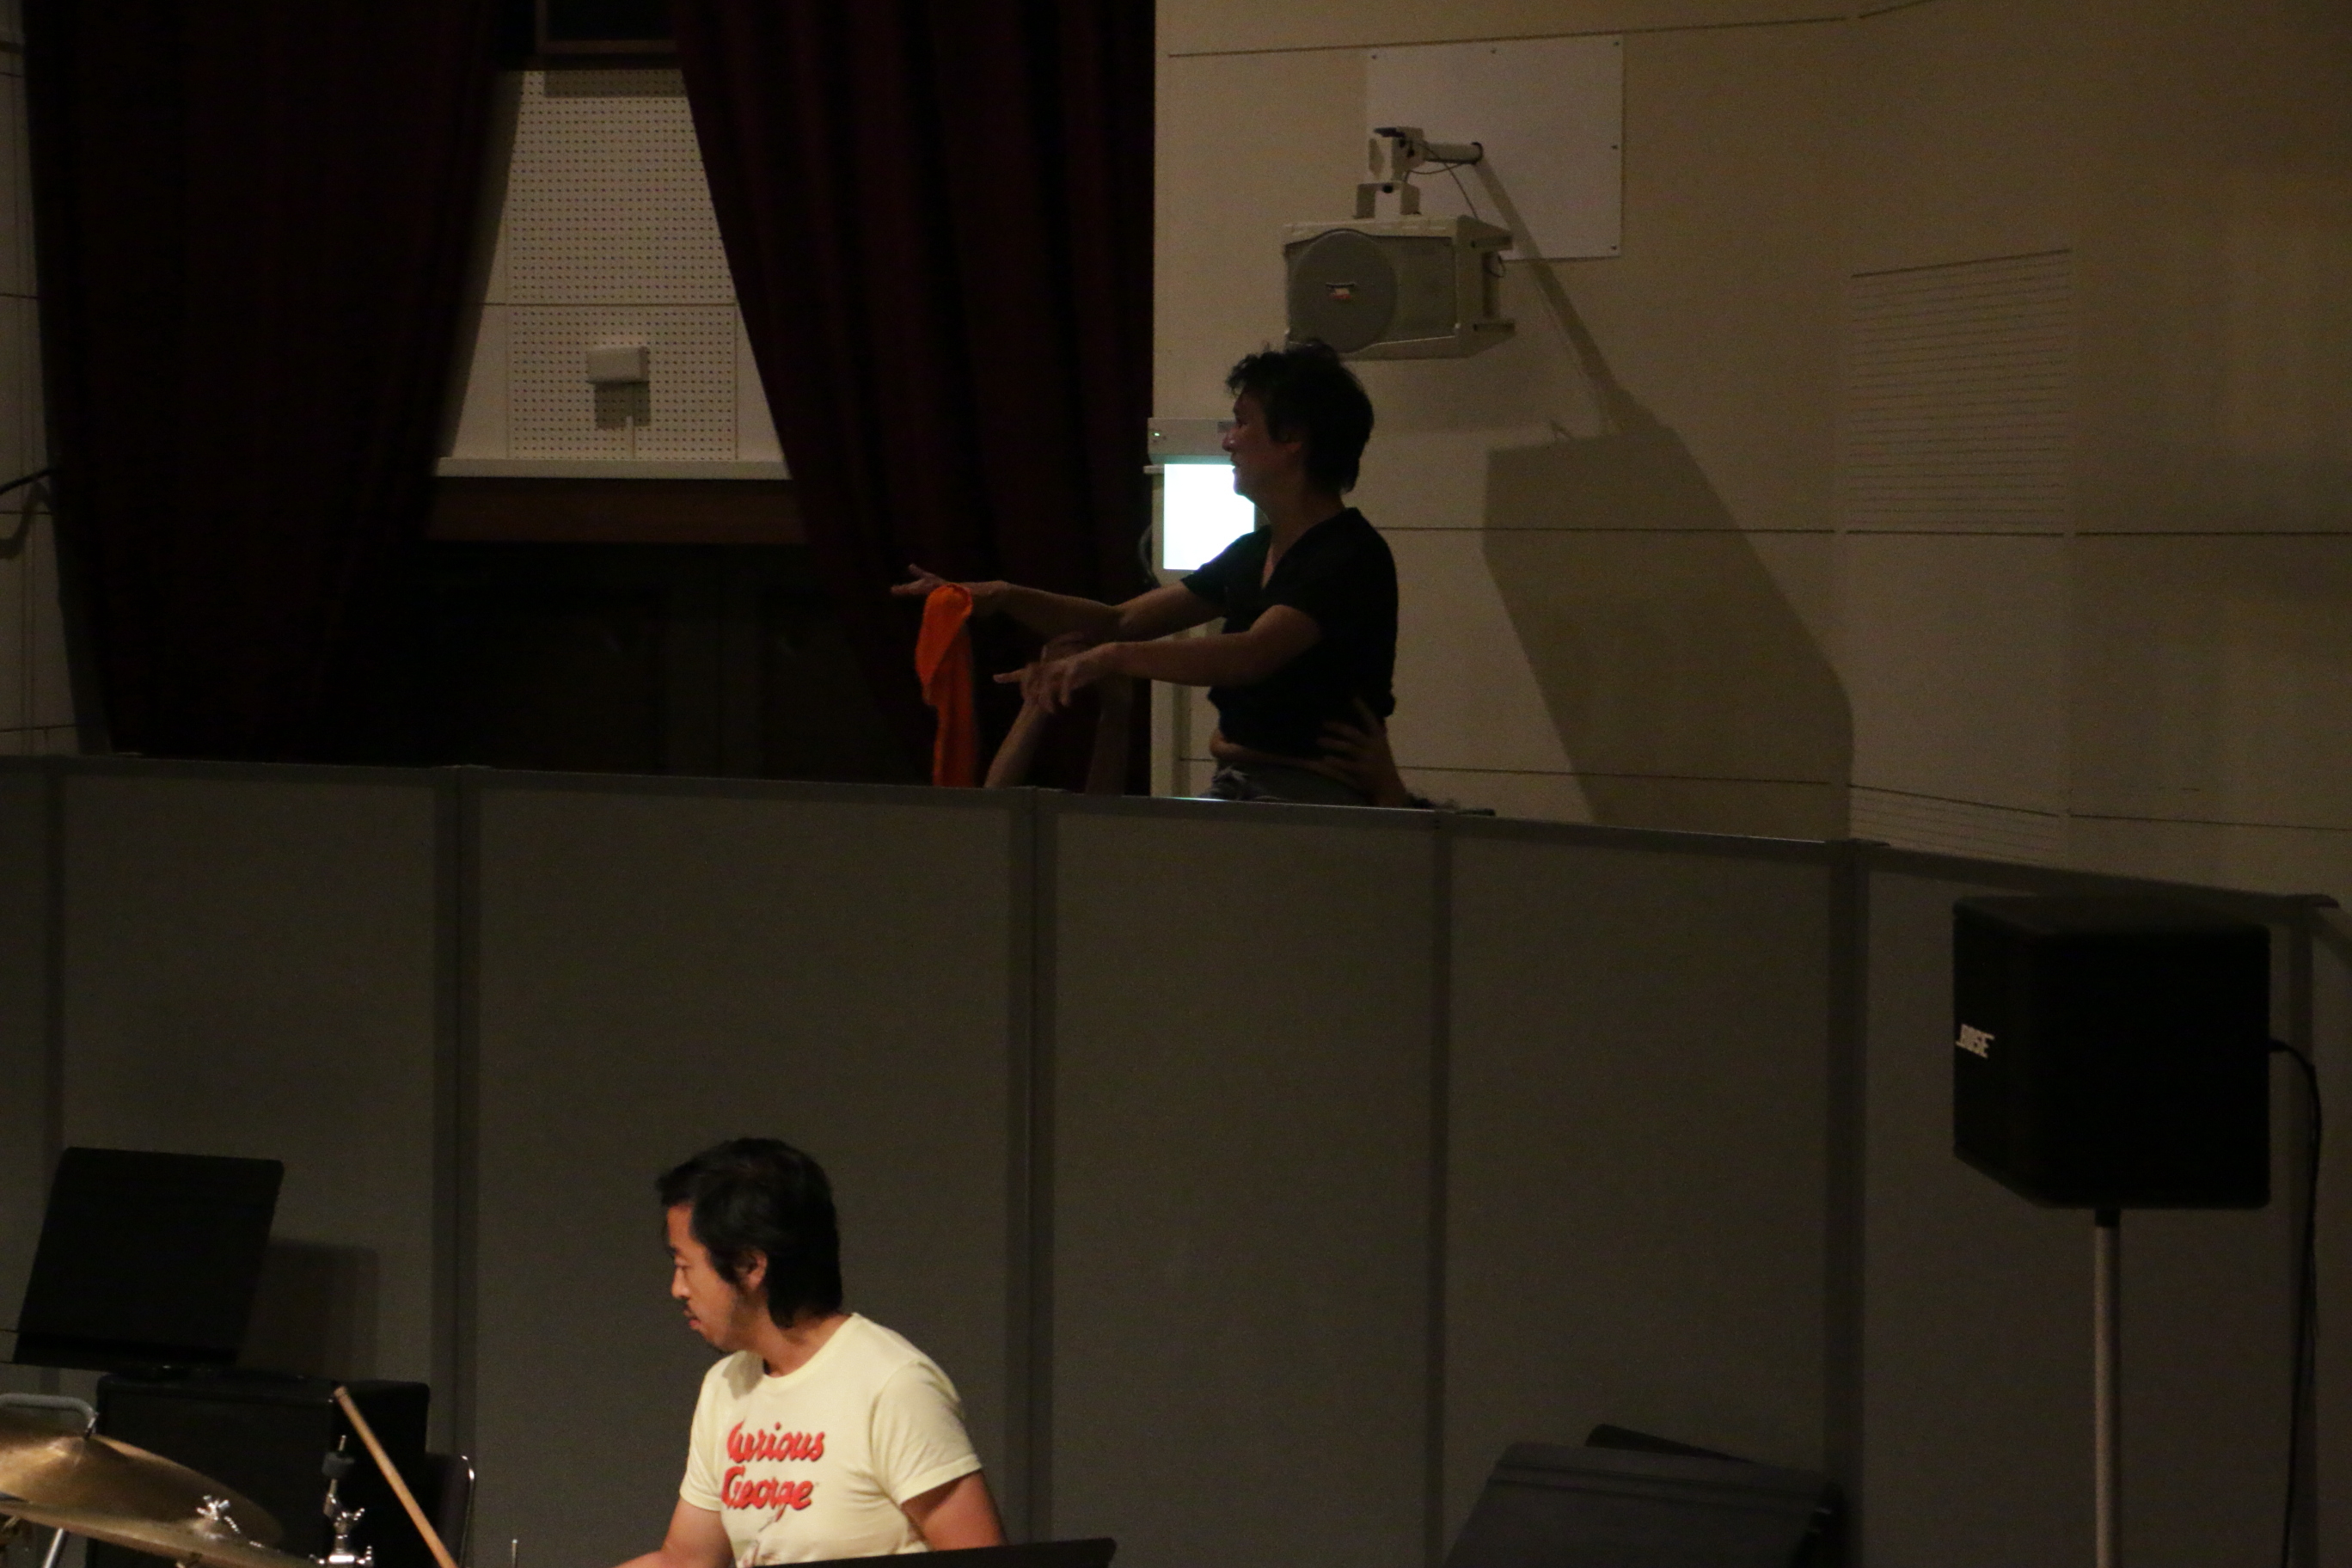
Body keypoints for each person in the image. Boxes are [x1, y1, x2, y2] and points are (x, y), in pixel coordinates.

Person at [891, 340, 1395, 805]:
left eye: (1242, 423)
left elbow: (1251, 653)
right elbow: (1120, 621)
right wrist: (1003, 596)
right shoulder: (1254, 550)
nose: (1228, 441)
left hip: (1310, 799)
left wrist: (1111, 658)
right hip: (1241, 785)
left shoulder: (1349, 554)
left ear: (1293, 439)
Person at [616, 1139, 1004, 1566]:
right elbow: (686, 1560)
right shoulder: (726, 1385)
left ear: (750, 1266)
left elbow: (980, 1557)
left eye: (685, 1266)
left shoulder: (891, 1384)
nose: (678, 1289)